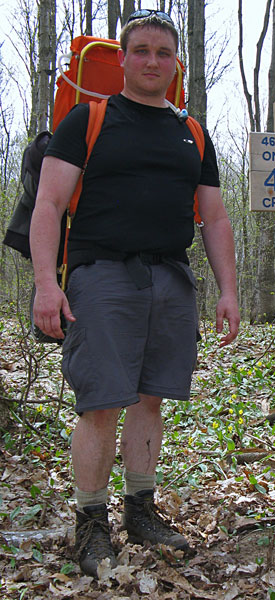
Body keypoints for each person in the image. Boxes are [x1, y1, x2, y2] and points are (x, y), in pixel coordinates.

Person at [29, 9, 240, 578]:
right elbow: (49, 205)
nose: (152, 61)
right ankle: (91, 523)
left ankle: (141, 509)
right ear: (122, 59)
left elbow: (214, 218)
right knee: (100, 403)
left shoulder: (190, 131)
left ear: (176, 63)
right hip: (101, 276)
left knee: (151, 399)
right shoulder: (88, 119)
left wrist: (229, 291)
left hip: (171, 277)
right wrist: (46, 284)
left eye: (163, 53)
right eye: (141, 50)